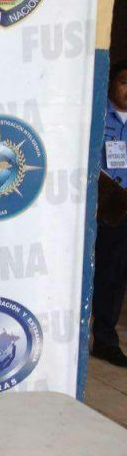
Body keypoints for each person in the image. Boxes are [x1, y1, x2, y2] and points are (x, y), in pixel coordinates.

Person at [91, 59, 127, 367]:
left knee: (115, 278)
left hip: (123, 212)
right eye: (124, 82)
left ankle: (105, 340)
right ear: (111, 83)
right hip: (97, 208)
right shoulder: (96, 115)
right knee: (94, 272)